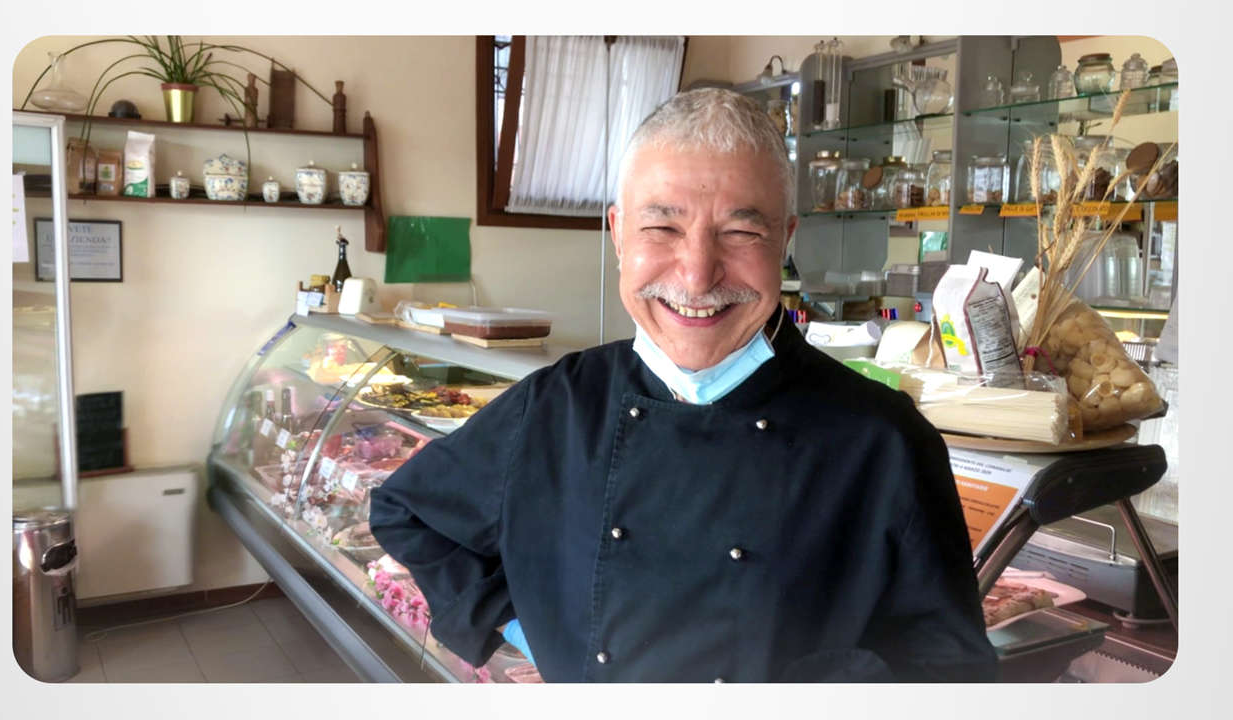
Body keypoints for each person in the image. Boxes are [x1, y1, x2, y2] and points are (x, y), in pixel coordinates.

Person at [370, 88, 996, 683]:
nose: (697, 276)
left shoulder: (884, 440)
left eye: (741, 232)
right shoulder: (555, 405)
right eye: (662, 228)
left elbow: (950, 670)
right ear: (618, 234)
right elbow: (407, 511)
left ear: (785, 239)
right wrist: (520, 623)